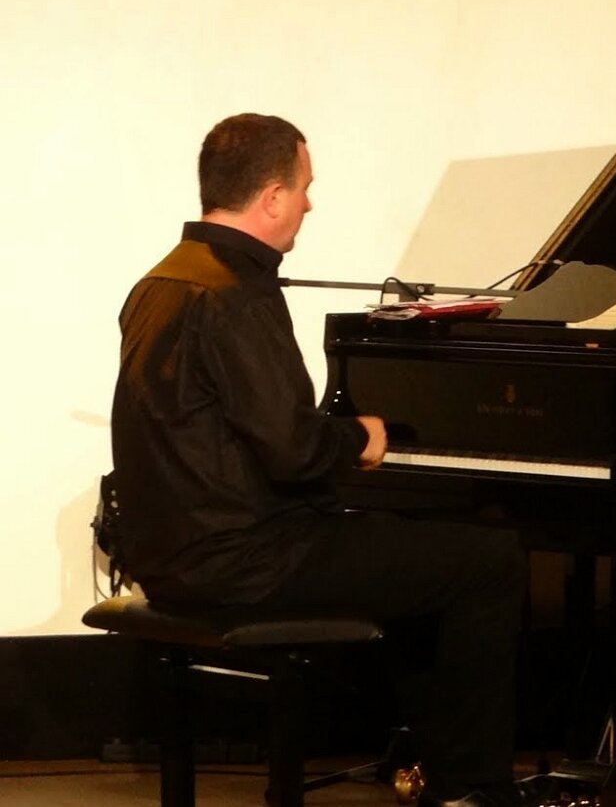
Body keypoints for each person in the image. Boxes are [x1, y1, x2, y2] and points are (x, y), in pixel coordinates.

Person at [110, 114, 527, 807]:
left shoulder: (161, 280)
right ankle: (473, 789)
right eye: (303, 187)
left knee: (414, 556)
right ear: (271, 196)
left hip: (173, 555)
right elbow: (292, 449)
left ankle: (433, 765)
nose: (309, 203)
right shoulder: (236, 293)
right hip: (247, 561)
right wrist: (359, 437)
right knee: (490, 560)